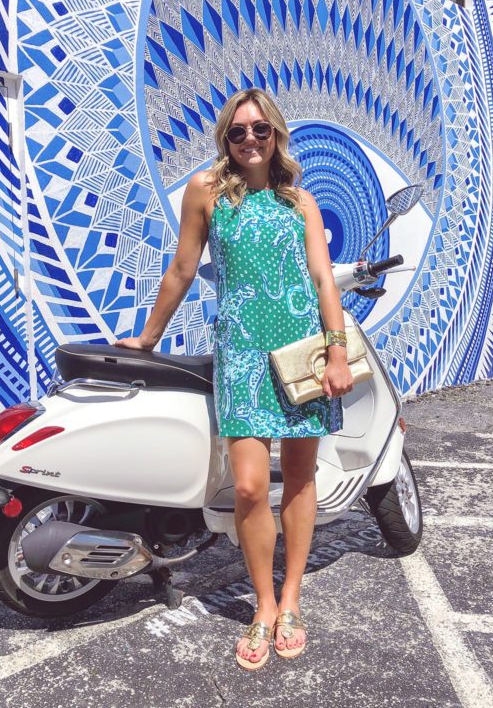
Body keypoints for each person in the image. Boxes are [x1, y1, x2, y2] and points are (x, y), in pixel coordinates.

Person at [116, 88, 353, 669]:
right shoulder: (206, 190)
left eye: (260, 130)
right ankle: (263, 605)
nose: (249, 140)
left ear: (276, 135)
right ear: (226, 138)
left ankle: (292, 599)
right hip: (241, 353)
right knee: (248, 488)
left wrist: (338, 350)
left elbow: (323, 280)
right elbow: (182, 267)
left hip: (301, 353)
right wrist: (148, 337)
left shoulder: (301, 201)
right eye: (237, 132)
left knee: (299, 479)